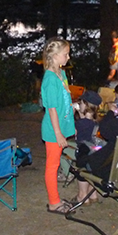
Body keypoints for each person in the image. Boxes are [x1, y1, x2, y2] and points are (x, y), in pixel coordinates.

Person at [41, 37, 76, 215]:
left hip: (62, 126)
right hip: (54, 130)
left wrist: (71, 124)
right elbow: (52, 109)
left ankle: (56, 198)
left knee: (56, 164)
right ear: (54, 56)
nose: (68, 57)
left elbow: (65, 101)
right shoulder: (49, 79)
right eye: (65, 54)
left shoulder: (60, 74)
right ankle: (54, 203)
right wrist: (58, 134)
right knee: (52, 166)